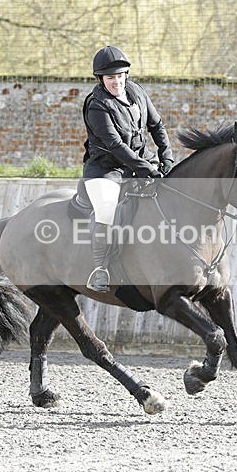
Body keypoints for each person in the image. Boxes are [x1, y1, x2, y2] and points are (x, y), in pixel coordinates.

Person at [80, 46, 174, 292]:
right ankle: (101, 269)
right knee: (106, 211)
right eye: (111, 78)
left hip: (141, 163)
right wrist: (148, 169)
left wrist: (167, 158)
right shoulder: (97, 105)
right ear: (101, 79)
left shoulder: (137, 92)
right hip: (105, 169)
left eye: (120, 76)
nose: (117, 82)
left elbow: (157, 126)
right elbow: (115, 145)